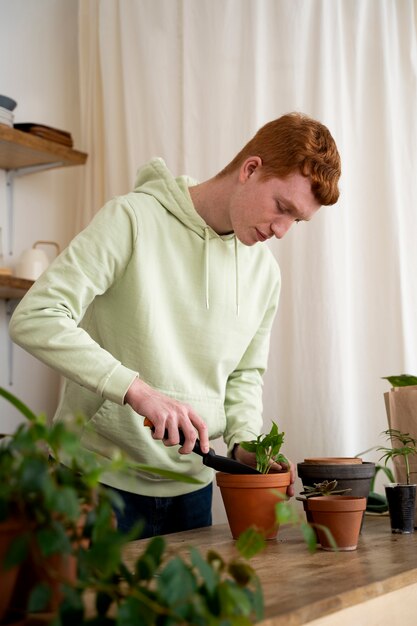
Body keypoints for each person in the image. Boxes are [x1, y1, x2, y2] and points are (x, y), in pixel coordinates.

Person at [9, 112, 341, 538]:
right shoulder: (131, 219)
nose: (281, 230)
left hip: (193, 491)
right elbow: (36, 316)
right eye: (282, 207)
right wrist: (138, 391)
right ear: (251, 169)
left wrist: (243, 444)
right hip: (94, 482)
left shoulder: (265, 274)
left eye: (297, 220)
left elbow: (244, 375)